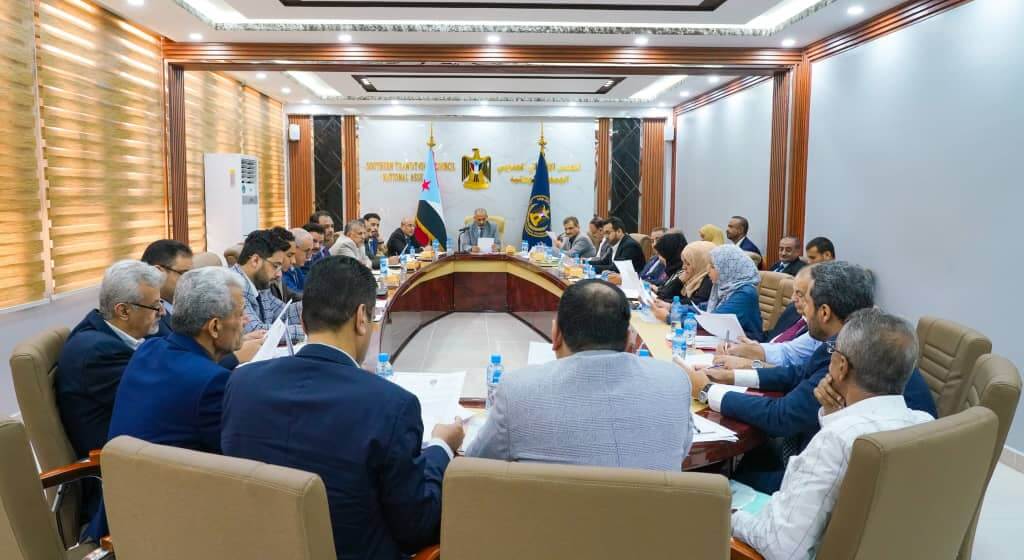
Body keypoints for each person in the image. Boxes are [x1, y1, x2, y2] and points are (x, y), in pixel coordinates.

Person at [222, 256, 464, 560]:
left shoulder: (241, 383)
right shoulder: (392, 405)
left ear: (304, 322)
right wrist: (441, 447)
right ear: (362, 318)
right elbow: (416, 528)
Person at [677, 261, 936, 493]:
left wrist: (706, 390)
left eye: (806, 303)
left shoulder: (850, 357)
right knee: (755, 452)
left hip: (839, 480)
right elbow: (797, 374)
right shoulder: (857, 337)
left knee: (722, 477)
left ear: (824, 312)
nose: (801, 311)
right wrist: (733, 376)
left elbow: (781, 417)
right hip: (864, 467)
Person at [732, 309, 934, 560]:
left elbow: (783, 549)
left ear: (841, 366)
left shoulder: (836, 440)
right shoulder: (926, 424)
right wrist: (832, 415)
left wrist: (731, 517)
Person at [466, 279, 692, 470]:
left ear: (556, 335)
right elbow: (681, 451)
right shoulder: (675, 382)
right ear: (629, 340)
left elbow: (475, 464)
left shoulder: (517, 391)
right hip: (652, 511)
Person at [55, 261, 164, 524]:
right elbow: (159, 401)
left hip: (132, 452)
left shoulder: (106, 333)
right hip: (118, 479)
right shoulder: (99, 353)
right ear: (123, 310)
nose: (162, 311)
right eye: (155, 306)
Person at [108, 266, 246, 453]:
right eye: (240, 313)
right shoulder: (213, 383)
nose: (245, 320)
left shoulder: (148, 349)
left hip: (122, 470)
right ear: (214, 327)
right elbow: (236, 454)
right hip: (173, 472)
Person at [230, 229, 303, 341]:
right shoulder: (232, 287)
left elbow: (285, 314)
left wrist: (316, 307)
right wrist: (307, 331)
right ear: (255, 260)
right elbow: (256, 331)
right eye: (275, 266)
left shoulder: (260, 286)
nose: (278, 274)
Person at [705, 244, 764, 340]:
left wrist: (684, 317)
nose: (707, 270)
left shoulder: (745, 294)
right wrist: (682, 309)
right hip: (727, 340)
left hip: (746, 345)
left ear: (727, 268)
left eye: (712, 266)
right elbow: (709, 306)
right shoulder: (726, 286)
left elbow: (715, 320)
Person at [651, 240, 715, 321]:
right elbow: (663, 295)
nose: (683, 267)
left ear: (700, 263)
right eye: (683, 262)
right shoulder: (692, 276)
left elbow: (696, 303)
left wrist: (669, 305)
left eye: (688, 263)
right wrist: (679, 280)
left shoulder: (709, 280)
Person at [140, 240, 193, 336]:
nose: (190, 280)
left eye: (191, 274)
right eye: (183, 273)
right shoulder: (146, 316)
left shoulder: (191, 305)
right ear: (157, 272)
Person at [647, 232, 684, 299]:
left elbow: (666, 294)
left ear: (670, 253)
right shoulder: (673, 269)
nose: (660, 258)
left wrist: (657, 290)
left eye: (662, 254)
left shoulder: (682, 271)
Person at [269, 227, 300, 303]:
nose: (294, 261)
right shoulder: (265, 281)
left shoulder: (280, 275)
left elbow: (292, 296)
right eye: (289, 255)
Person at [283, 227, 314, 297]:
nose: (309, 256)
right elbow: (295, 294)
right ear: (293, 247)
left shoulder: (296, 268)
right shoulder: (283, 270)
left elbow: (307, 287)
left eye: (311, 251)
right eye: (306, 251)